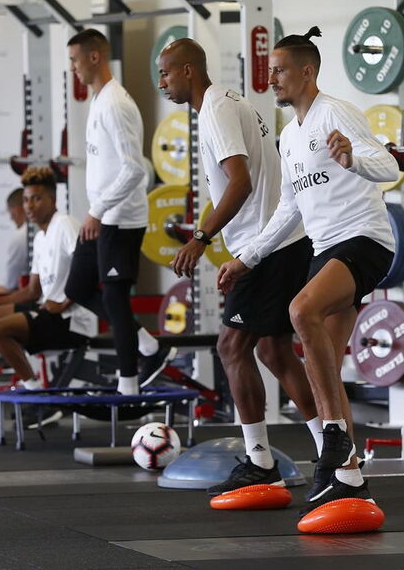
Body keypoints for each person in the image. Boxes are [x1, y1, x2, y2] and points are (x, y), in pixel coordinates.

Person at [218, 27, 398, 514]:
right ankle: (351, 481)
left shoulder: (334, 112)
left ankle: (334, 437)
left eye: (279, 70)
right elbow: (287, 212)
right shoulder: (291, 136)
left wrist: (353, 157)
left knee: (301, 311)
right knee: (328, 373)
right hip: (325, 249)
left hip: (364, 240)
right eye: (270, 70)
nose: (271, 78)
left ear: (306, 71)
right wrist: (245, 259)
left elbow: (389, 167)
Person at [156, 38, 323, 496]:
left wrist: (200, 238)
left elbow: (241, 183)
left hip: (267, 248)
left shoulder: (216, 109)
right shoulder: (229, 102)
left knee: (232, 348)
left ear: (189, 71)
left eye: (166, 73)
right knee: (273, 352)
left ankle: (260, 461)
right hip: (282, 241)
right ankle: (332, 453)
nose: (161, 82)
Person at [64, 29, 167, 394]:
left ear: (94, 57)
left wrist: (98, 210)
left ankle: (129, 383)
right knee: (76, 287)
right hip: (102, 216)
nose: (73, 68)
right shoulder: (99, 100)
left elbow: (134, 169)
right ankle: (148, 345)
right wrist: (96, 212)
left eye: (75, 60)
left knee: (113, 297)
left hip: (120, 219)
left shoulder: (116, 104)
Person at [0, 166, 96, 426]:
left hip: (73, 320)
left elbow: (90, 264)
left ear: (52, 200)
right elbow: (31, 291)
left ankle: (37, 396)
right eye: (26, 199)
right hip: (49, 312)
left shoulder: (65, 224)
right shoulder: (40, 237)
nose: (29, 205)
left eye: (37, 198)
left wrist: (66, 301)